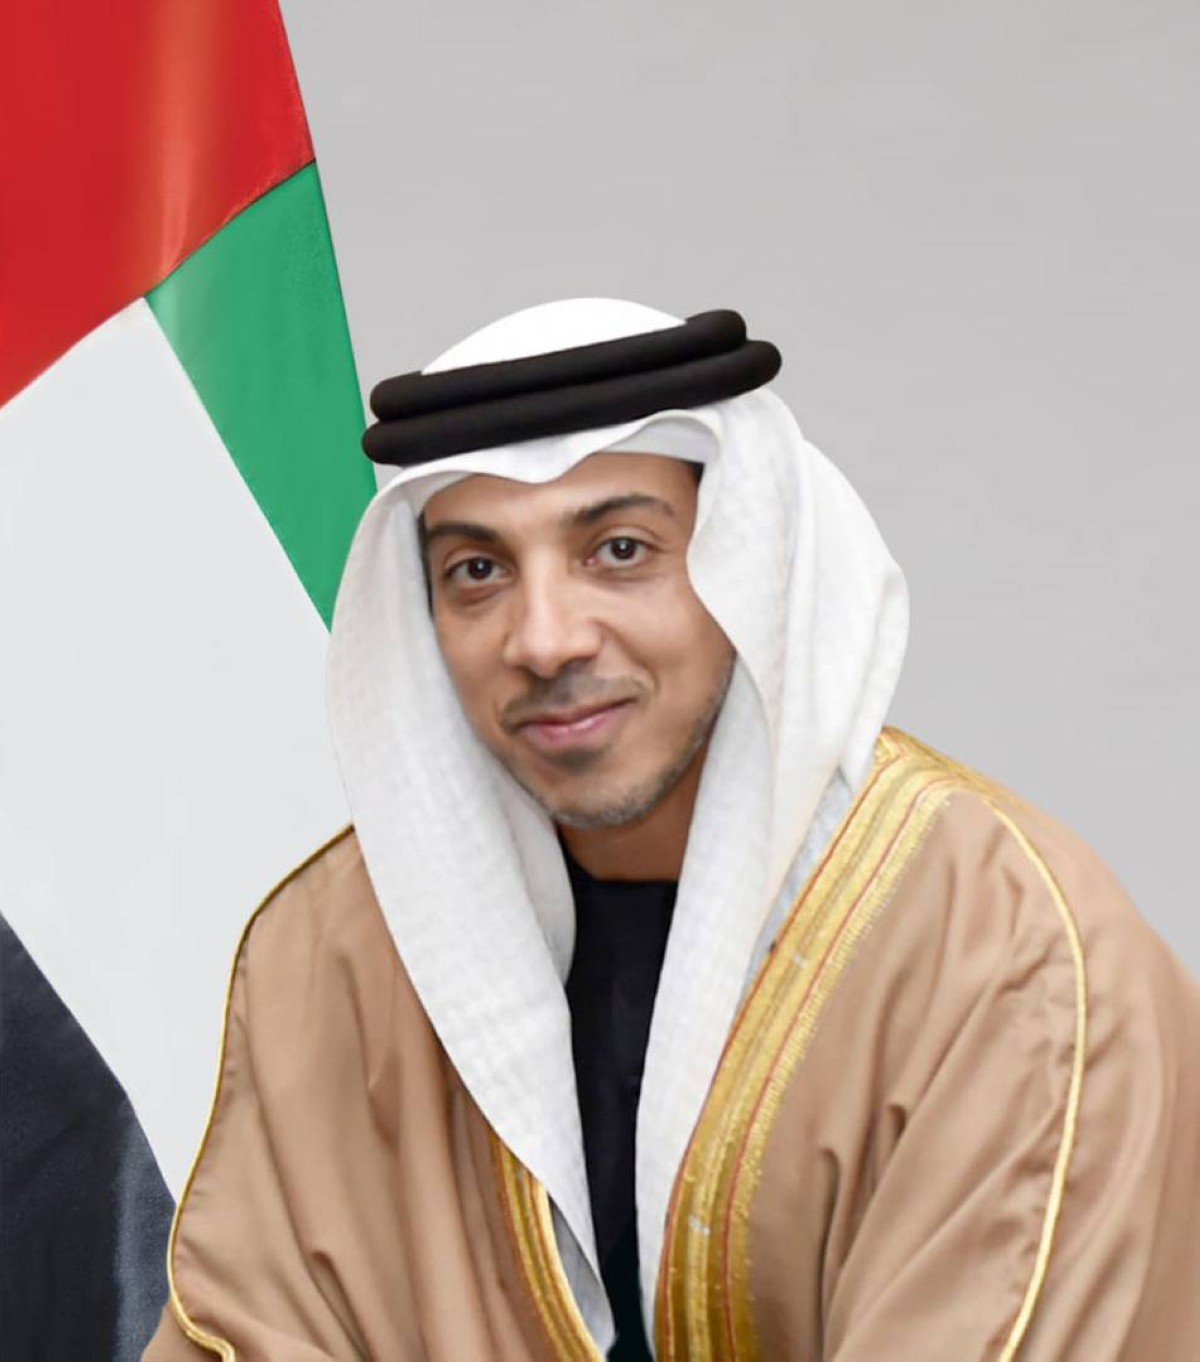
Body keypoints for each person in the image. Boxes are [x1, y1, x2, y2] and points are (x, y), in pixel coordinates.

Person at [145, 300, 1200, 1360]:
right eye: (478, 571)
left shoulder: (1003, 956)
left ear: (750, 561)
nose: (545, 640)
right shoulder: (335, 958)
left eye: (619, 550)